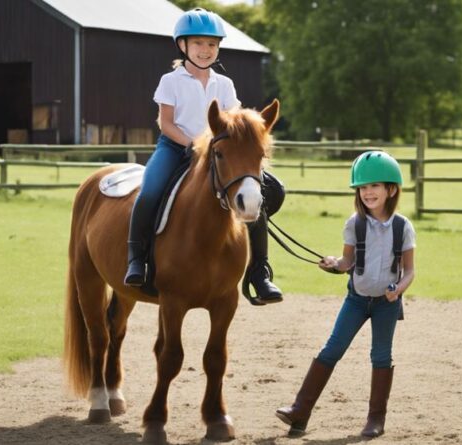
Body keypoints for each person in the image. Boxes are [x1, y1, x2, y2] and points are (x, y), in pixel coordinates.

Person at [124, 8, 284, 304]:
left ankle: (259, 272)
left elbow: (234, 120)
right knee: (150, 191)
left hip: (219, 152)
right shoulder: (170, 81)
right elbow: (166, 123)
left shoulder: (224, 84)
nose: (205, 50)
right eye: (198, 43)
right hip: (176, 148)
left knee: (259, 195)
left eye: (211, 44)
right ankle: (136, 260)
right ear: (182, 45)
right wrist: (192, 144)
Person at [275, 151, 416, 438]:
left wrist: (398, 289)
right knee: (332, 349)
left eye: (374, 186)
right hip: (356, 300)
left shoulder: (403, 227)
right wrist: (334, 264)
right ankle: (299, 411)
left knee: (381, 355)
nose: (367, 193)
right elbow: (347, 262)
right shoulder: (354, 224)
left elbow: (410, 270)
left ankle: (376, 420)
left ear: (391, 189)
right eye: (362, 187)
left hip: (386, 305)